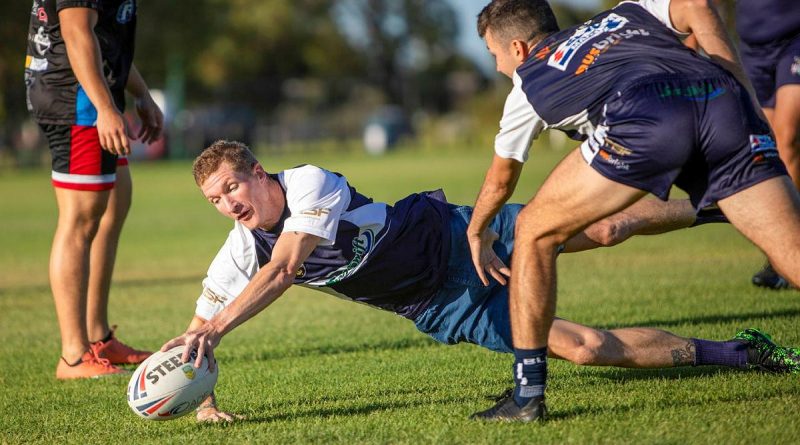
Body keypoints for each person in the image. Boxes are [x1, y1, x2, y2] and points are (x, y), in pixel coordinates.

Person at [159, 141, 798, 423]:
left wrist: (215, 328)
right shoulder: (239, 249)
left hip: (461, 235)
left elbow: (287, 267)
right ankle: (745, 353)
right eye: (216, 199)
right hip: (440, 305)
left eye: (232, 187)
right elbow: (197, 333)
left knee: (603, 230)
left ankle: (726, 203)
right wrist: (198, 387)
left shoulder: (307, 183)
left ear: (258, 172)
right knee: (581, 348)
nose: (229, 204)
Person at [465, 0, 800, 421]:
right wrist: (735, 79)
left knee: (534, 228)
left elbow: (500, 181)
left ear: (517, 48)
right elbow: (697, 4)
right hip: (724, 99)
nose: (497, 68)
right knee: (794, 257)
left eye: (495, 56)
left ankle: (527, 396)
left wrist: (478, 231)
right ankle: (718, 205)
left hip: (645, 114)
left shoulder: (526, 87)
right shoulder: (623, 13)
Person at [25, 0, 162, 379]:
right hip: (76, 100)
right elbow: (75, 31)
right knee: (80, 220)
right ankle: (73, 356)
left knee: (115, 205)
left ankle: (98, 337)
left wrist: (140, 93)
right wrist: (104, 107)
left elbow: (107, 41)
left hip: (94, 94)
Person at [734, 0, 800, 290]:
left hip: (794, 40)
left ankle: (790, 250)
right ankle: (779, 255)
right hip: (752, 47)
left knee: (787, 138)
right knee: (766, 150)